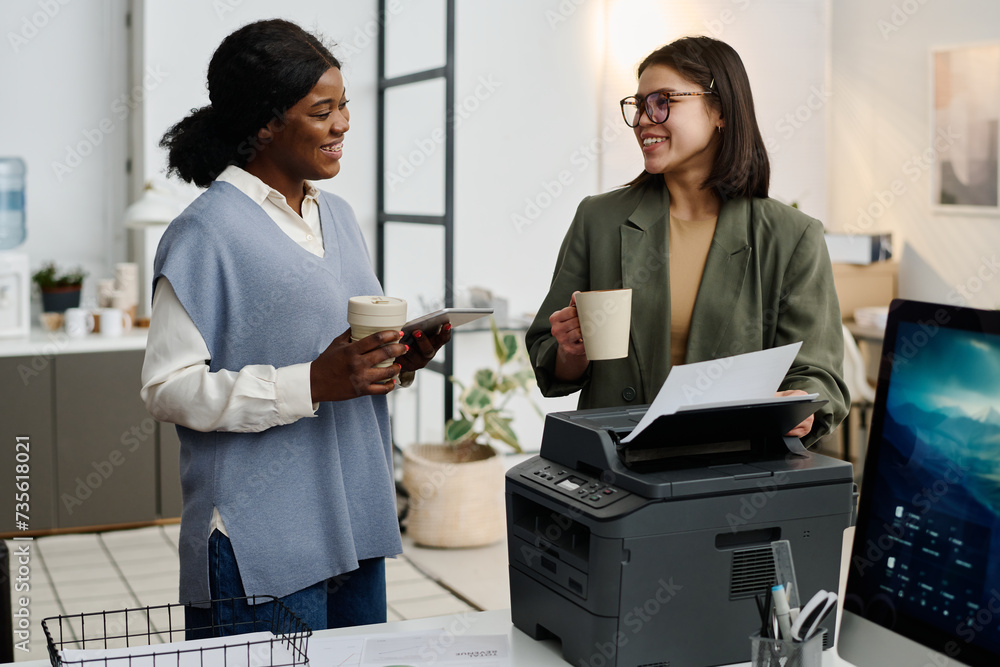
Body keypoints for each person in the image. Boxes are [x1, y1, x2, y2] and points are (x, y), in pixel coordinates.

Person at [140, 19, 450, 636]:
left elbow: (341, 357)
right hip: (262, 536)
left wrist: (393, 362)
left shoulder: (336, 215)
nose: (343, 125)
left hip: (353, 517)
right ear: (265, 123)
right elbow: (165, 389)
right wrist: (308, 382)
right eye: (322, 110)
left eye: (344, 107)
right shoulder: (205, 233)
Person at [526, 36, 848, 447]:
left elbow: (819, 375)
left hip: (726, 482)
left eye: (662, 102)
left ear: (721, 112)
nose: (644, 119)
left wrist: (802, 404)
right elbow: (547, 355)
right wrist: (571, 352)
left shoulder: (793, 236)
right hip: (610, 471)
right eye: (639, 104)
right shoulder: (599, 219)